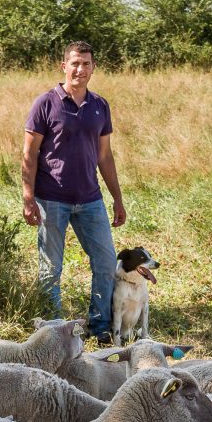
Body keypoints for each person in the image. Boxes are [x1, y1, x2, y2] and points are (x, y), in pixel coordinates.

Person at [21, 41, 126, 345]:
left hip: (90, 199)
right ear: (64, 66)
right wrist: (28, 197)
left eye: (86, 64)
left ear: (94, 67)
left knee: (106, 262)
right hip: (52, 198)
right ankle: (53, 331)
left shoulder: (99, 105)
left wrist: (117, 198)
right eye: (75, 63)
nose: (80, 69)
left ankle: (99, 326)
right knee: (51, 268)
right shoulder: (46, 103)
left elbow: (105, 156)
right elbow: (29, 153)